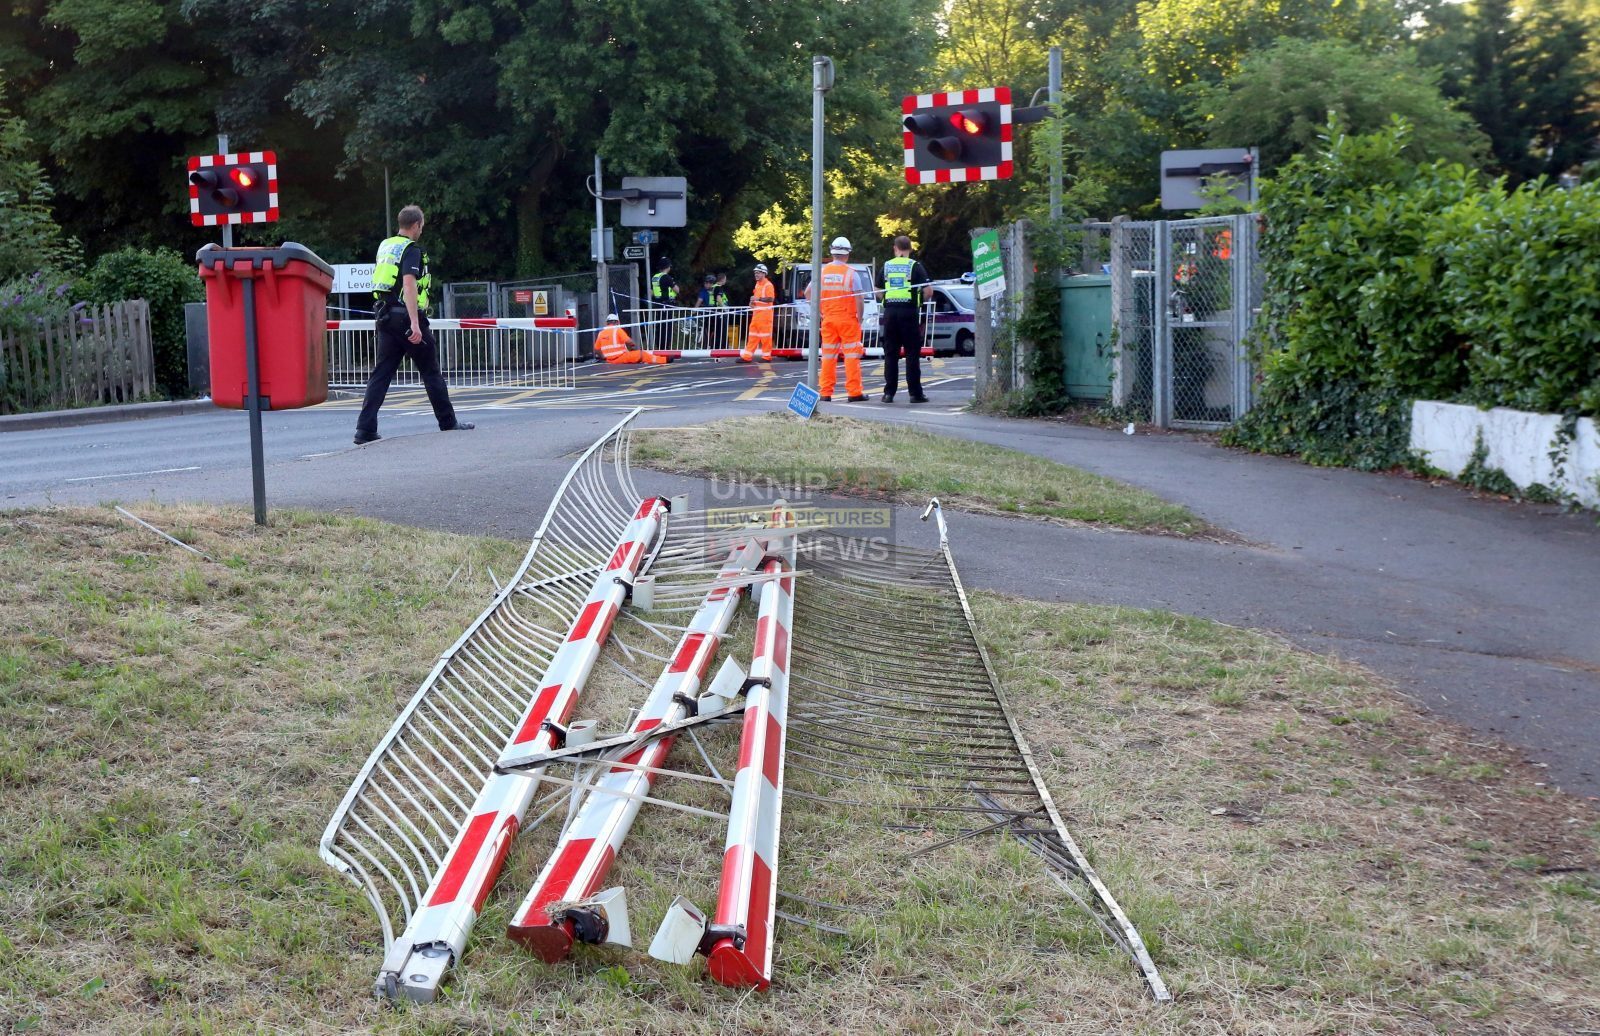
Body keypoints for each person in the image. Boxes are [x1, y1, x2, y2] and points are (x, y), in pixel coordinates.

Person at [354, 205, 474, 445]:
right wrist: (415, 323)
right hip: (405, 318)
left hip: (385, 316)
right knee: (431, 371)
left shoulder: (386, 246)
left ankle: (365, 430)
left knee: (382, 374)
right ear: (417, 225)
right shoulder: (411, 249)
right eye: (422, 226)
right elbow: (409, 285)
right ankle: (448, 423)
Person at [803, 236, 868, 401]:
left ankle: (825, 393)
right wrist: (859, 319)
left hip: (829, 320)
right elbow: (859, 299)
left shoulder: (822, 272)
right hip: (848, 320)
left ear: (832, 253)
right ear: (847, 254)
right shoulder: (852, 274)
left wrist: (821, 312)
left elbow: (808, 294)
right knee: (852, 357)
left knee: (828, 357)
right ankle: (854, 393)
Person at [879, 235, 934, 403]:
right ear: (909, 249)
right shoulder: (915, 267)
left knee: (890, 354)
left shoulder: (886, 266)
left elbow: (877, 289)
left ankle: (889, 394)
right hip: (909, 313)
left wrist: (887, 300)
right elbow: (929, 291)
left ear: (895, 249)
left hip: (890, 313)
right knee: (911, 354)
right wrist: (919, 302)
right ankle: (915, 394)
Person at [595, 313, 670, 365]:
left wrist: (603, 357)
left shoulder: (601, 333)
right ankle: (664, 360)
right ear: (617, 322)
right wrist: (633, 346)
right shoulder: (618, 330)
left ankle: (662, 358)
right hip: (621, 358)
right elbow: (629, 341)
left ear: (607, 323)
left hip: (609, 360)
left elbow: (597, 349)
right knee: (641, 354)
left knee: (635, 356)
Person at [740, 263, 776, 362]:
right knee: (752, 336)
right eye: (755, 273)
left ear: (764, 274)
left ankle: (766, 357)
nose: (756, 274)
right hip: (756, 314)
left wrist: (758, 298)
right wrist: (752, 303)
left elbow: (771, 298)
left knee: (765, 337)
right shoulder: (757, 285)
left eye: (758, 273)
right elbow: (756, 299)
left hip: (765, 315)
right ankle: (747, 357)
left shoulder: (768, 285)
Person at [650, 258, 679, 348]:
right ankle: (666, 348)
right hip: (667, 305)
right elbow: (677, 290)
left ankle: (659, 347)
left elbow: (651, 292)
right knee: (667, 327)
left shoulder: (655, 277)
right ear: (667, 267)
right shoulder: (666, 277)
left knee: (660, 326)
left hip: (658, 304)